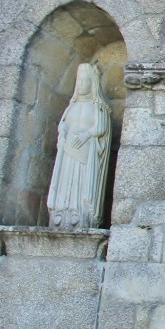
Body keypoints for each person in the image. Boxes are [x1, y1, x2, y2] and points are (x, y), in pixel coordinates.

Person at [47, 63, 112, 228]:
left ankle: (81, 214)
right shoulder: (71, 107)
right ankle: (60, 213)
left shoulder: (99, 108)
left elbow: (101, 128)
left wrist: (86, 135)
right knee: (65, 181)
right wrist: (63, 131)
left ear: (93, 83)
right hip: (68, 154)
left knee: (81, 183)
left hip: (86, 155)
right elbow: (63, 125)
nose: (82, 84)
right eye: (80, 81)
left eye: (86, 81)